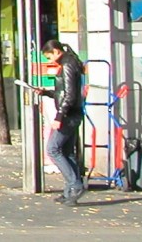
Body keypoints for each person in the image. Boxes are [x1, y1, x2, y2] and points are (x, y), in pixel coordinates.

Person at [38, 39, 85, 205]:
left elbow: (70, 95)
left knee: (53, 149)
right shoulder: (69, 63)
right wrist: (47, 93)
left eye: (49, 57)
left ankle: (75, 184)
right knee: (66, 151)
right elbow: (64, 92)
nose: (50, 61)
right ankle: (69, 191)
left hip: (68, 115)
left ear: (57, 52)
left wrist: (59, 116)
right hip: (72, 113)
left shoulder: (67, 65)